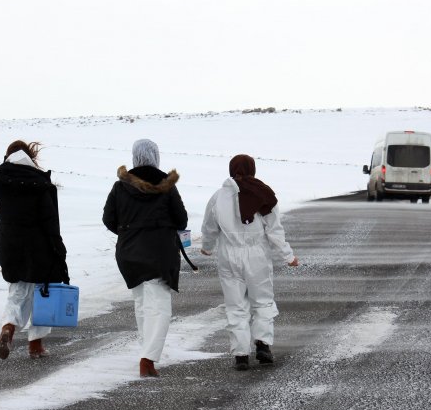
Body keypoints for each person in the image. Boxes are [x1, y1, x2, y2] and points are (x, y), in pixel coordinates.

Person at [200, 154, 299, 371]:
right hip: (257, 257)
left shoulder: (218, 197)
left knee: (236, 306)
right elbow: (274, 231)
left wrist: (207, 247)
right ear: (252, 170)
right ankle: (263, 345)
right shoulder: (263, 194)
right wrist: (288, 256)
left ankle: (241, 355)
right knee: (262, 301)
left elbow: (209, 226)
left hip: (229, 256)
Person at [102, 139, 188, 377]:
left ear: (135, 157)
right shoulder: (167, 185)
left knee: (141, 303)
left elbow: (109, 219)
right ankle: (148, 359)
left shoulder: (120, 187)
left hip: (129, 253)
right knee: (159, 307)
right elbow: (181, 220)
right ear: (155, 156)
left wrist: (129, 232)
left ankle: (146, 353)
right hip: (160, 252)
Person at [0, 140, 70, 360]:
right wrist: (58, 247)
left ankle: (8, 327)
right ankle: (35, 345)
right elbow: (50, 219)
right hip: (40, 244)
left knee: (17, 291)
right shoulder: (40, 183)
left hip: (11, 243)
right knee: (43, 291)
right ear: (30, 156)